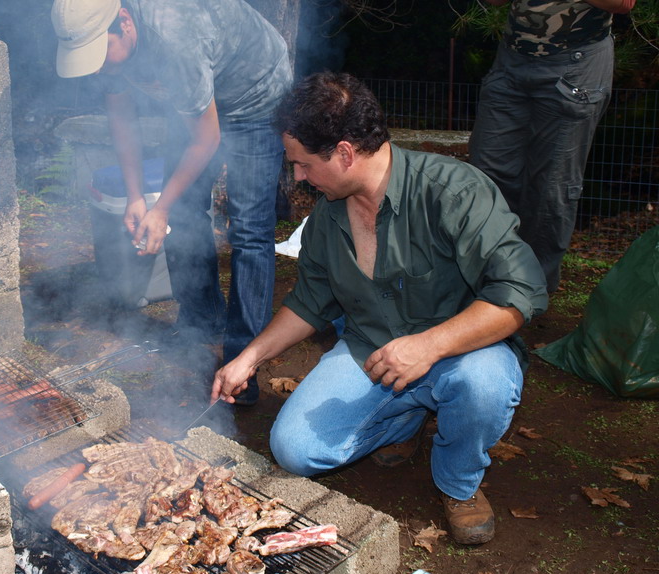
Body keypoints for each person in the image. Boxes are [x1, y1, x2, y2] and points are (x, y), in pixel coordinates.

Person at [211, 72, 549, 545]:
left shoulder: (452, 190)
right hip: (370, 350)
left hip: (465, 352)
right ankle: (405, 417)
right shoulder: (327, 218)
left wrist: (429, 345)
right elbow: (310, 302)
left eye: (303, 165)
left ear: (345, 153)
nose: (299, 178)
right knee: (295, 450)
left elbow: (521, 292)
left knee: (483, 385)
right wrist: (249, 358)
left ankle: (458, 483)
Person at [51, 0, 292, 405]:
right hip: (195, 103)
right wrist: (134, 198)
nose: (98, 67)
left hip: (254, 96)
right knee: (184, 211)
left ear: (125, 22)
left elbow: (207, 140)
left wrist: (158, 206)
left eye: (99, 53)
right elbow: (122, 121)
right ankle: (201, 321)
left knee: (249, 230)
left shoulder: (175, 34)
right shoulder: (108, 45)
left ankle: (241, 364)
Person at [469, 0, 636, 293]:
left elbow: (623, 4)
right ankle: (486, 283)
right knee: (486, 176)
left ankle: (529, 293)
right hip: (512, 60)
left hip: (576, 63)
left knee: (551, 187)